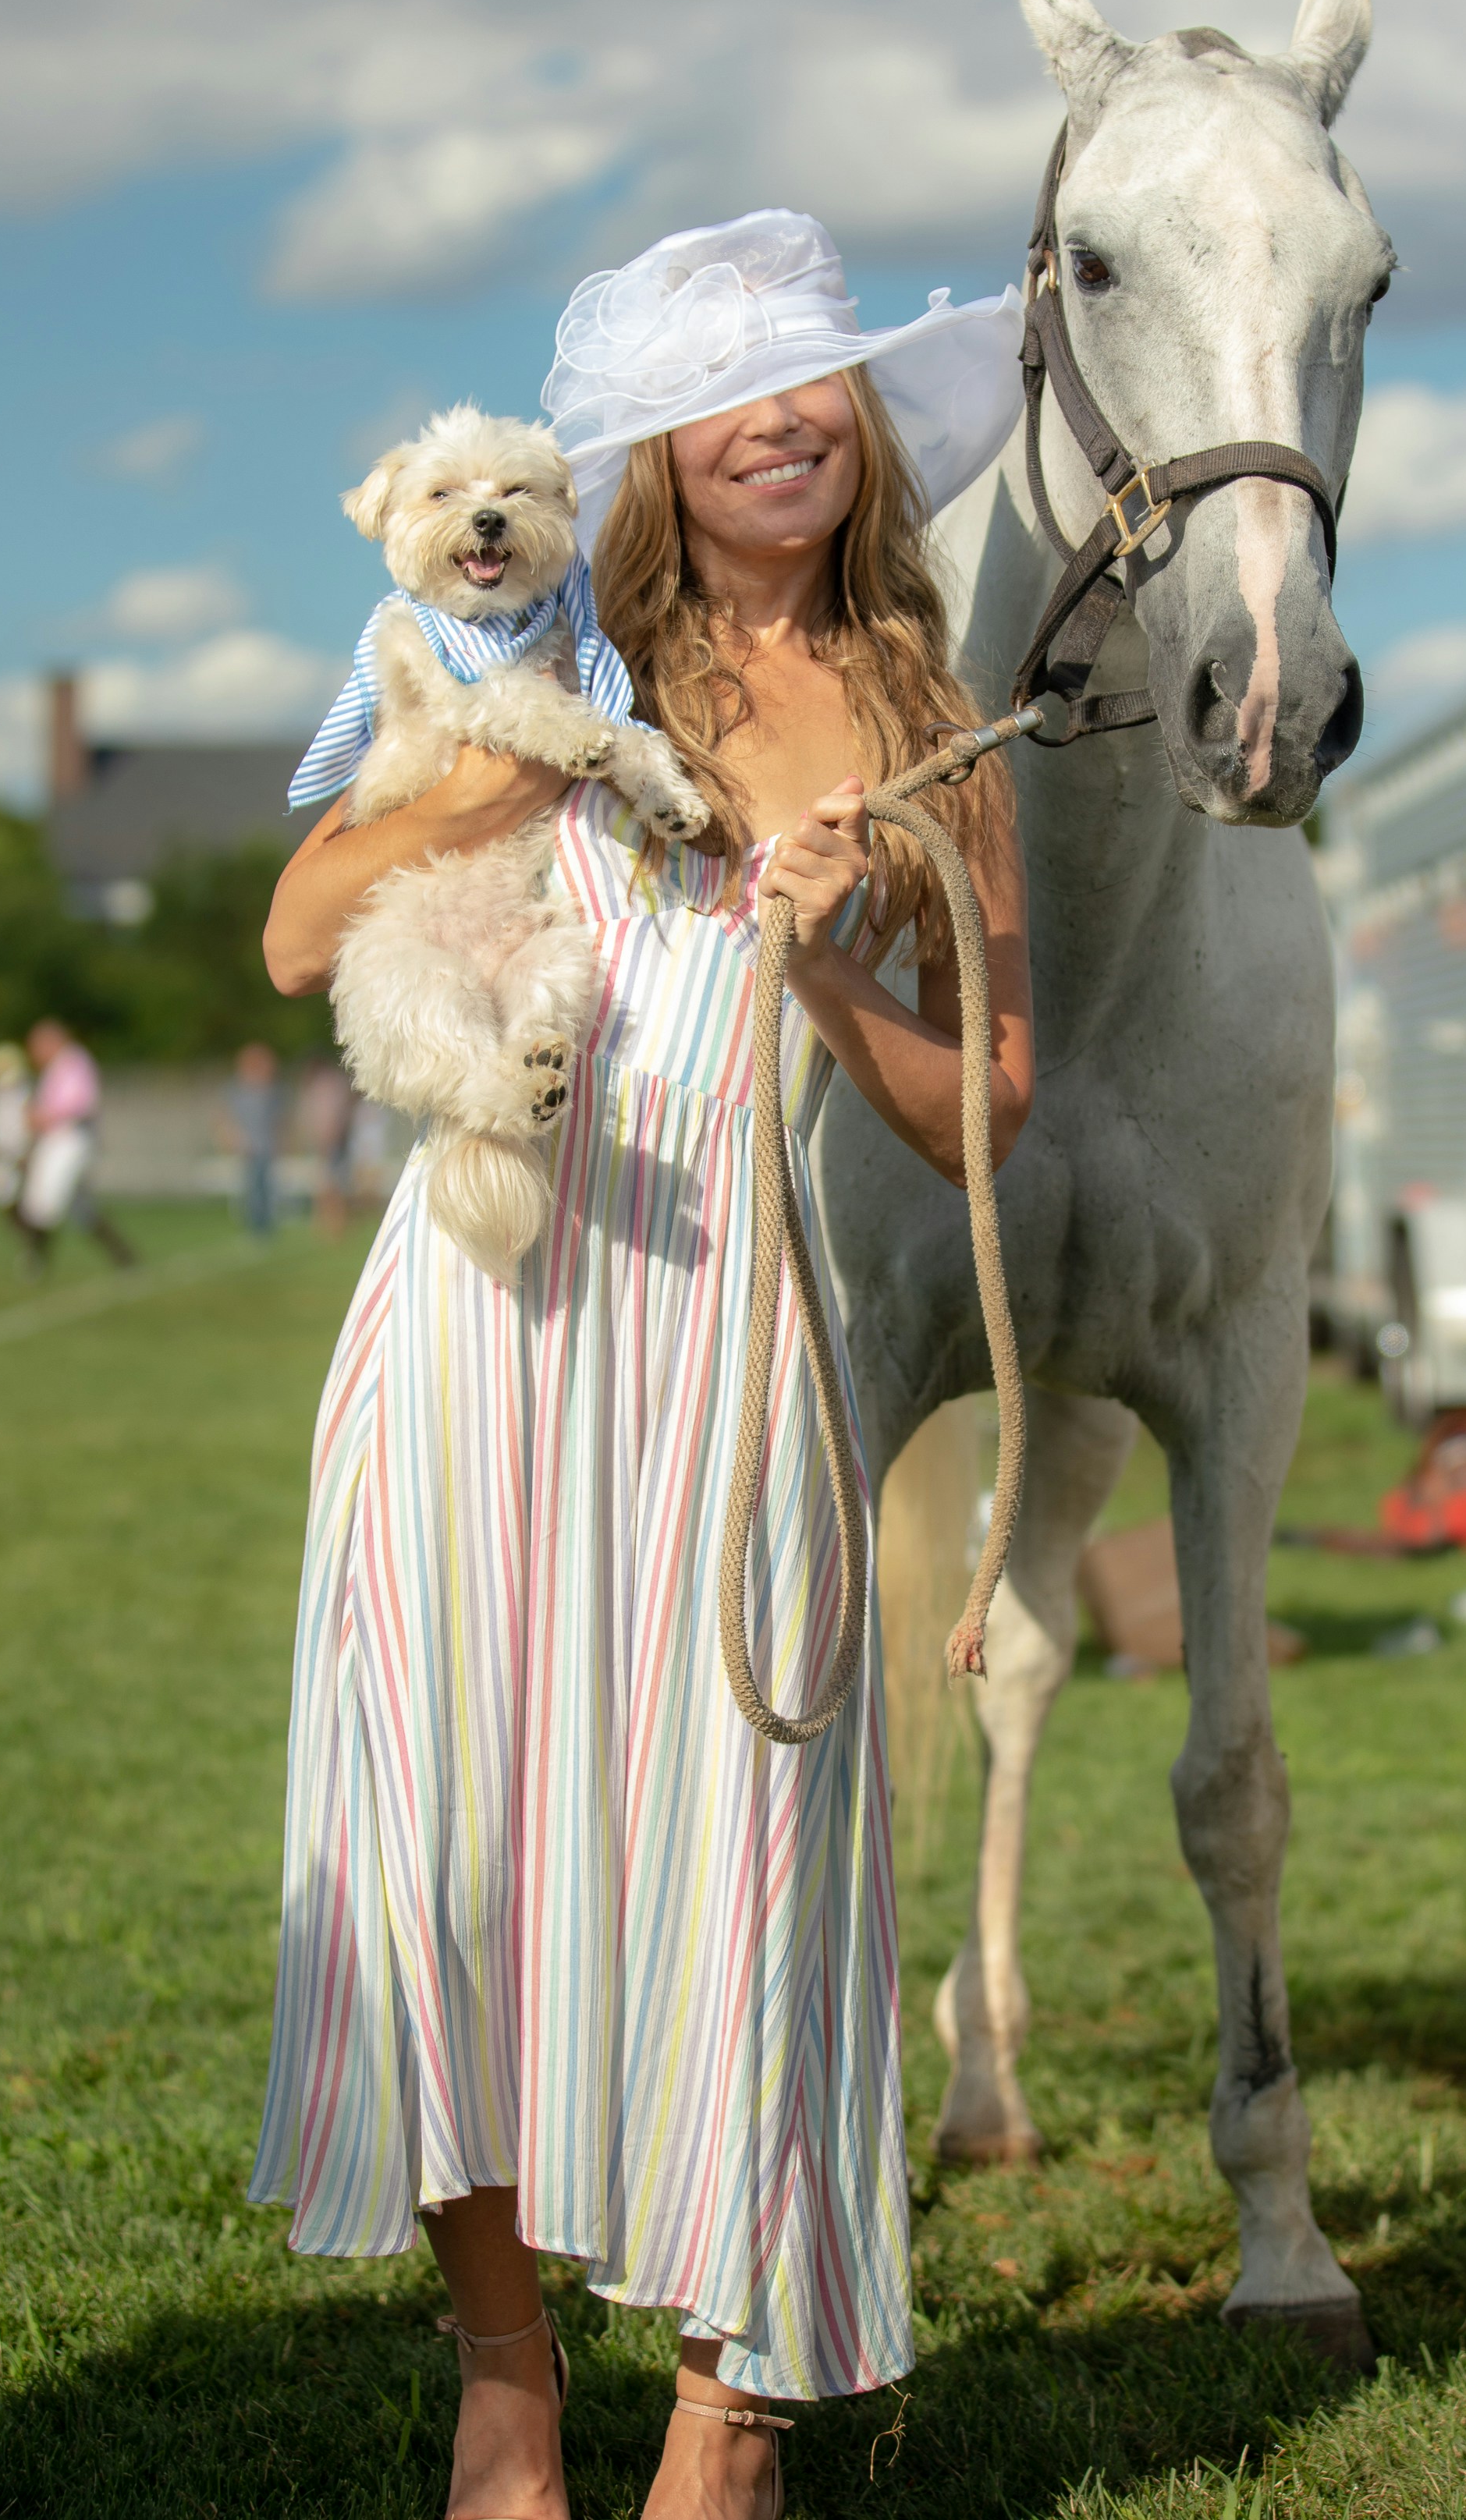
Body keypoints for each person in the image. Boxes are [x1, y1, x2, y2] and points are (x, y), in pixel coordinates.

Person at [250, 212, 1033, 2520]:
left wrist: (818, 971)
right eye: (731, 386)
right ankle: (505, 2387)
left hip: (734, 1336)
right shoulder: (529, 646)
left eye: (821, 374)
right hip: (483, 1321)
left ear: (866, 423)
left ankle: (729, 2401)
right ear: (650, 450)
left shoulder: (925, 710)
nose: (787, 412)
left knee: (746, 1862)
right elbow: (301, 932)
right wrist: (510, 772)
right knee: (448, 1848)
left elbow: (986, 1096)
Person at [16, 1019, 138, 1273]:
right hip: (59, 1139)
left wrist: (44, 1116)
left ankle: (34, 1260)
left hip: (71, 1139)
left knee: (46, 1197)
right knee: (79, 1208)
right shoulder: (57, 1067)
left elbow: (81, 1103)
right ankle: (124, 1256)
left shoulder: (73, 1062)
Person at [224, 1040, 284, 1237]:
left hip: (265, 1146)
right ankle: (257, 1226)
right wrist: (234, 1138)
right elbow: (225, 1116)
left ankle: (264, 1226)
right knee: (254, 1187)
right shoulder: (238, 1090)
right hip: (248, 1146)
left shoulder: (270, 1091)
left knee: (265, 1187)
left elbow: (278, 1119)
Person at [296, 1054, 356, 1237]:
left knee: (332, 1183)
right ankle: (328, 1222)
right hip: (326, 1140)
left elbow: (333, 1115)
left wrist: (329, 1136)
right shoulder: (324, 1085)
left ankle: (335, 1223)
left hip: (332, 1141)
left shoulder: (325, 1086)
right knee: (327, 1182)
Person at [0, 1039, 33, 1235]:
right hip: (4, 1154)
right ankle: (32, 1242)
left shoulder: (17, 1093)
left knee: (21, 1200)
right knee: (2, 1197)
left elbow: (22, 1125)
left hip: (16, 1153)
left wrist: (25, 1151)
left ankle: (34, 1242)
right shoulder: (2, 1095)